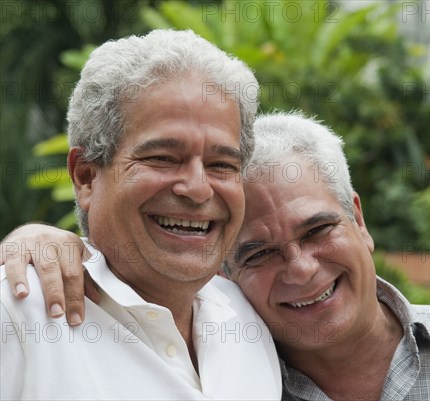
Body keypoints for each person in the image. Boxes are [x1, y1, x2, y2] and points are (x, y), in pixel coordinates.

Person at [2, 113, 430, 400]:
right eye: (259, 252)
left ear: (358, 219)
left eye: (318, 229)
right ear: (222, 270)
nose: (300, 267)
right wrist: (43, 239)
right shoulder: (235, 381)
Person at [0, 29, 281, 400]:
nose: (198, 188)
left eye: (221, 164)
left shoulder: (249, 314)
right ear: (85, 176)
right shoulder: (17, 314)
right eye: (162, 158)